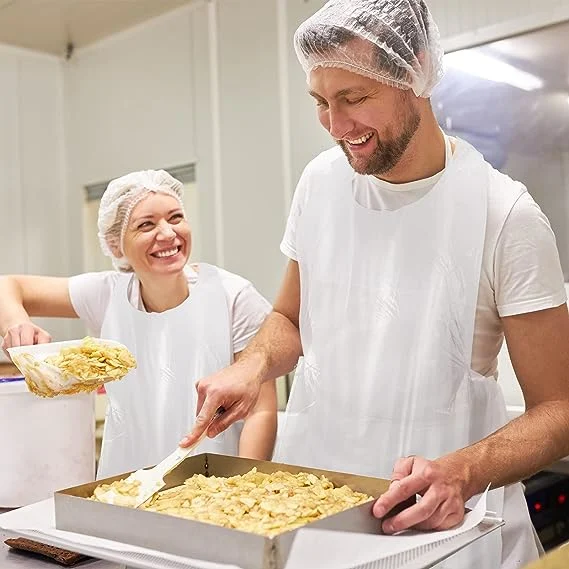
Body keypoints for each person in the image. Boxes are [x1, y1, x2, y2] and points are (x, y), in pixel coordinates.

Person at [180, 1, 569, 568]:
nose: (337, 128)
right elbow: (291, 319)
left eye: (355, 98)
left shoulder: (504, 214)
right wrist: (252, 366)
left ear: (414, 72)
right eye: (320, 102)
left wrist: (461, 472)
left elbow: (558, 410)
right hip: (319, 511)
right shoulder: (320, 184)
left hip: (446, 530)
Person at [0, 170, 277, 479]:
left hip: (216, 486)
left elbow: (260, 410)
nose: (168, 234)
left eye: (175, 218)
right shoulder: (107, 294)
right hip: (125, 485)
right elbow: (7, 286)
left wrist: (245, 487)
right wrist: (16, 323)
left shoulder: (233, 297)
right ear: (117, 244)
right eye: (146, 224)